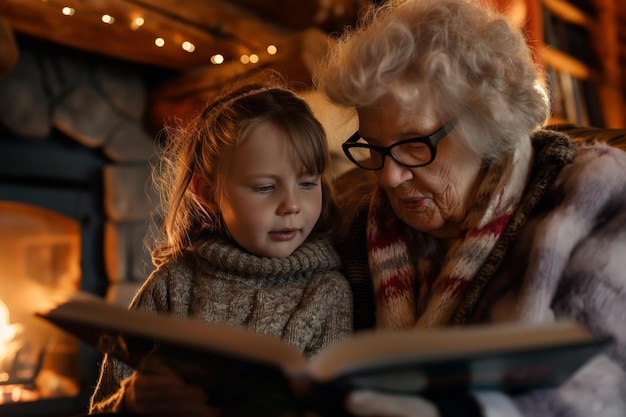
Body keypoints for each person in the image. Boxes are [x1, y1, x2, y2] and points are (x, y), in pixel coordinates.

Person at [312, 0, 626, 416]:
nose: (387, 178)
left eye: (413, 143)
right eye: (373, 147)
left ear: (487, 123)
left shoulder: (593, 198)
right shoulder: (357, 228)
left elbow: (597, 388)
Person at [88, 83, 353, 416]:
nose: (292, 205)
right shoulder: (171, 284)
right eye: (265, 187)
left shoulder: (327, 293)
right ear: (208, 192)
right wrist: (131, 405)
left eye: (307, 182)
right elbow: (102, 406)